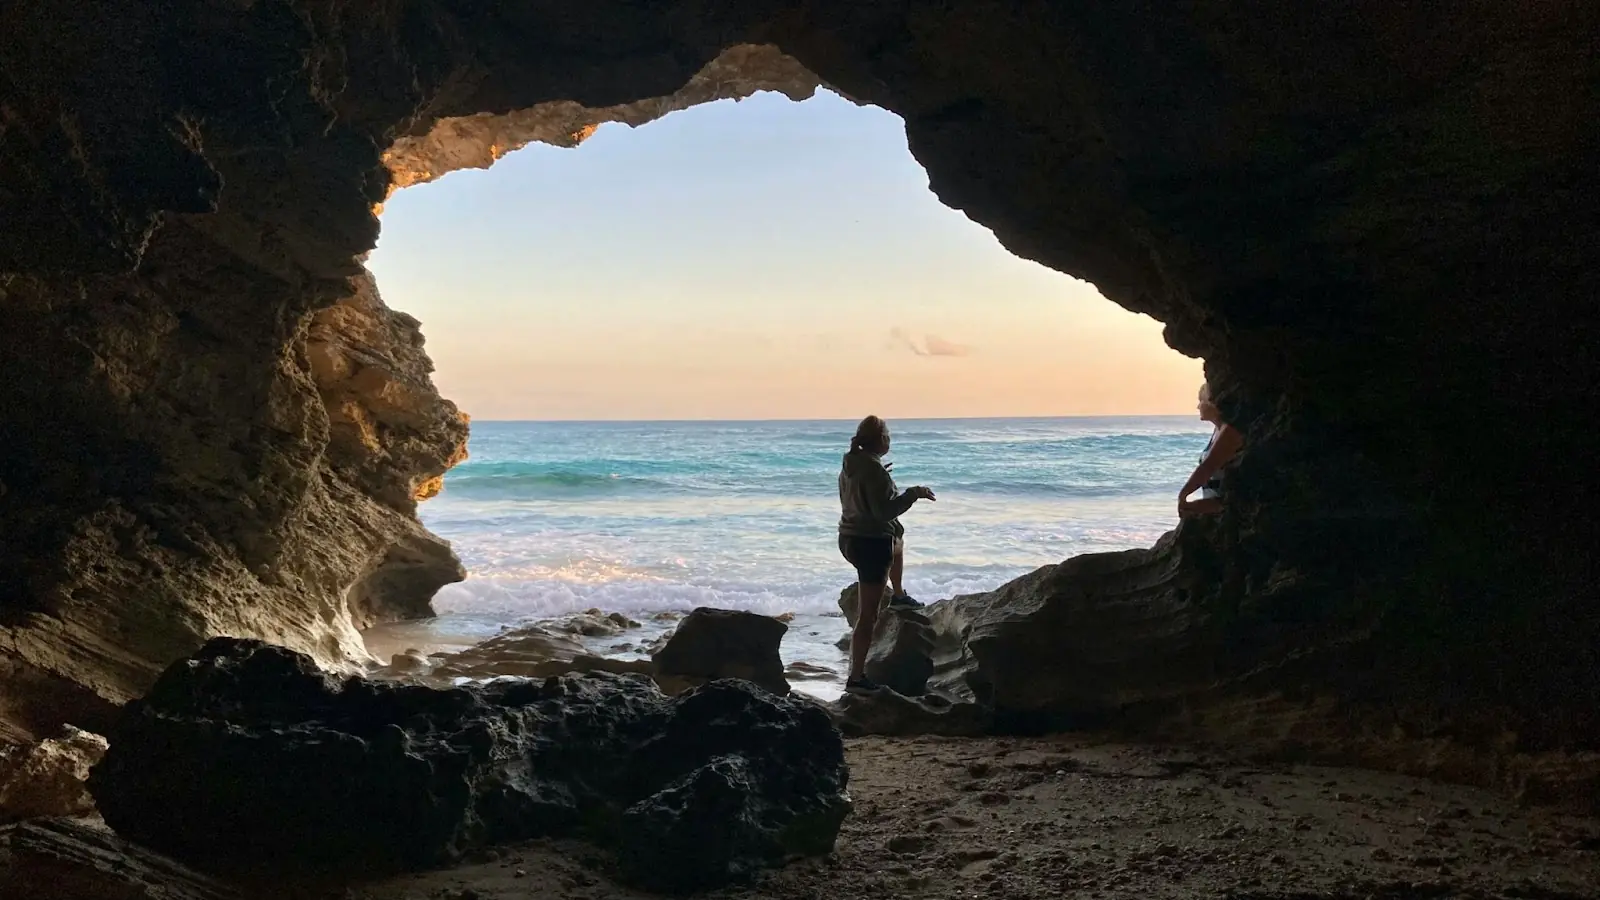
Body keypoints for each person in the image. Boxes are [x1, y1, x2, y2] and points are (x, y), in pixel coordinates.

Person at [838, 415, 936, 694]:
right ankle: (856, 678)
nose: (890, 439)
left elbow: (861, 496)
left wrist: (885, 482)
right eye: (888, 435)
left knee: (899, 539)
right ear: (880, 440)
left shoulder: (852, 465)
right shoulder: (873, 470)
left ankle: (899, 594)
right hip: (871, 544)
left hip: (848, 538)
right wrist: (912, 494)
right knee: (868, 616)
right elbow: (884, 512)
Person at [1178, 383, 1243, 517]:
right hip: (1215, 499)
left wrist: (1183, 495)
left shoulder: (1229, 432)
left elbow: (1209, 466)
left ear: (1211, 403)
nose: (1198, 406)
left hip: (1229, 503)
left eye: (1201, 401)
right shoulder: (1217, 430)